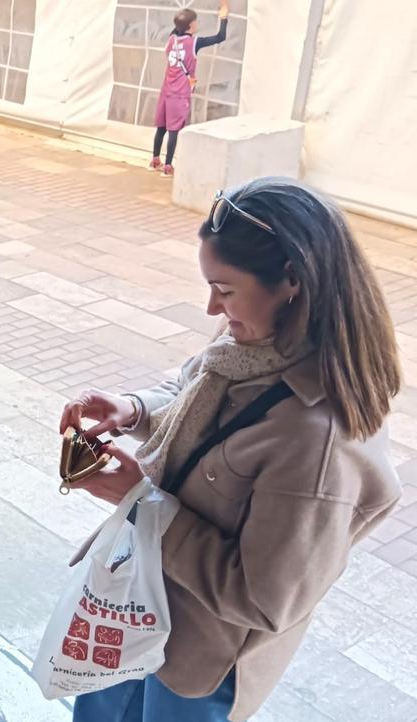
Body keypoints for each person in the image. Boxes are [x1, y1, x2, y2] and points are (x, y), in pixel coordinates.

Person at [59, 177, 402, 722]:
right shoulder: (257, 343)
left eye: (224, 289)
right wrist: (134, 409)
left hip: (198, 659)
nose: (211, 308)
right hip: (136, 606)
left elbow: (265, 598)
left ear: (292, 279)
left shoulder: (316, 439)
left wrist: (140, 500)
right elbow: (191, 385)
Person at [149, 0, 231, 177]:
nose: (197, 24)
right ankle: (168, 166)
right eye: (196, 21)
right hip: (180, 93)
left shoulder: (171, 40)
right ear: (191, 25)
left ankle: (155, 160)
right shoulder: (194, 43)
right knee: (173, 130)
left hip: (166, 90)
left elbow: (175, 32)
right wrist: (224, 16)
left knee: (161, 127)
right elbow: (220, 37)